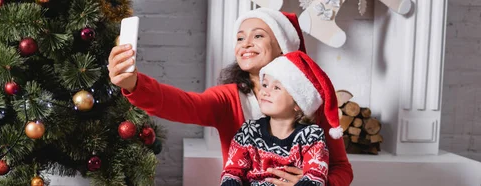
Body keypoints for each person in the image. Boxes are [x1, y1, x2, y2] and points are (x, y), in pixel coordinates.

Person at [107, 8, 353, 186]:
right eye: (239, 37)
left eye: (258, 35)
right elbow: (182, 104)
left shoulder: (310, 103)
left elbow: (342, 169)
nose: (246, 43)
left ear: (282, 46)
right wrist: (135, 84)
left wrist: (316, 183)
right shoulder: (229, 99)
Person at [220, 51, 343, 186]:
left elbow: (316, 176)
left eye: (276, 88)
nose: (265, 91)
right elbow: (232, 172)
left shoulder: (311, 136)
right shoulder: (248, 131)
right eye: (265, 85)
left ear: (297, 103)